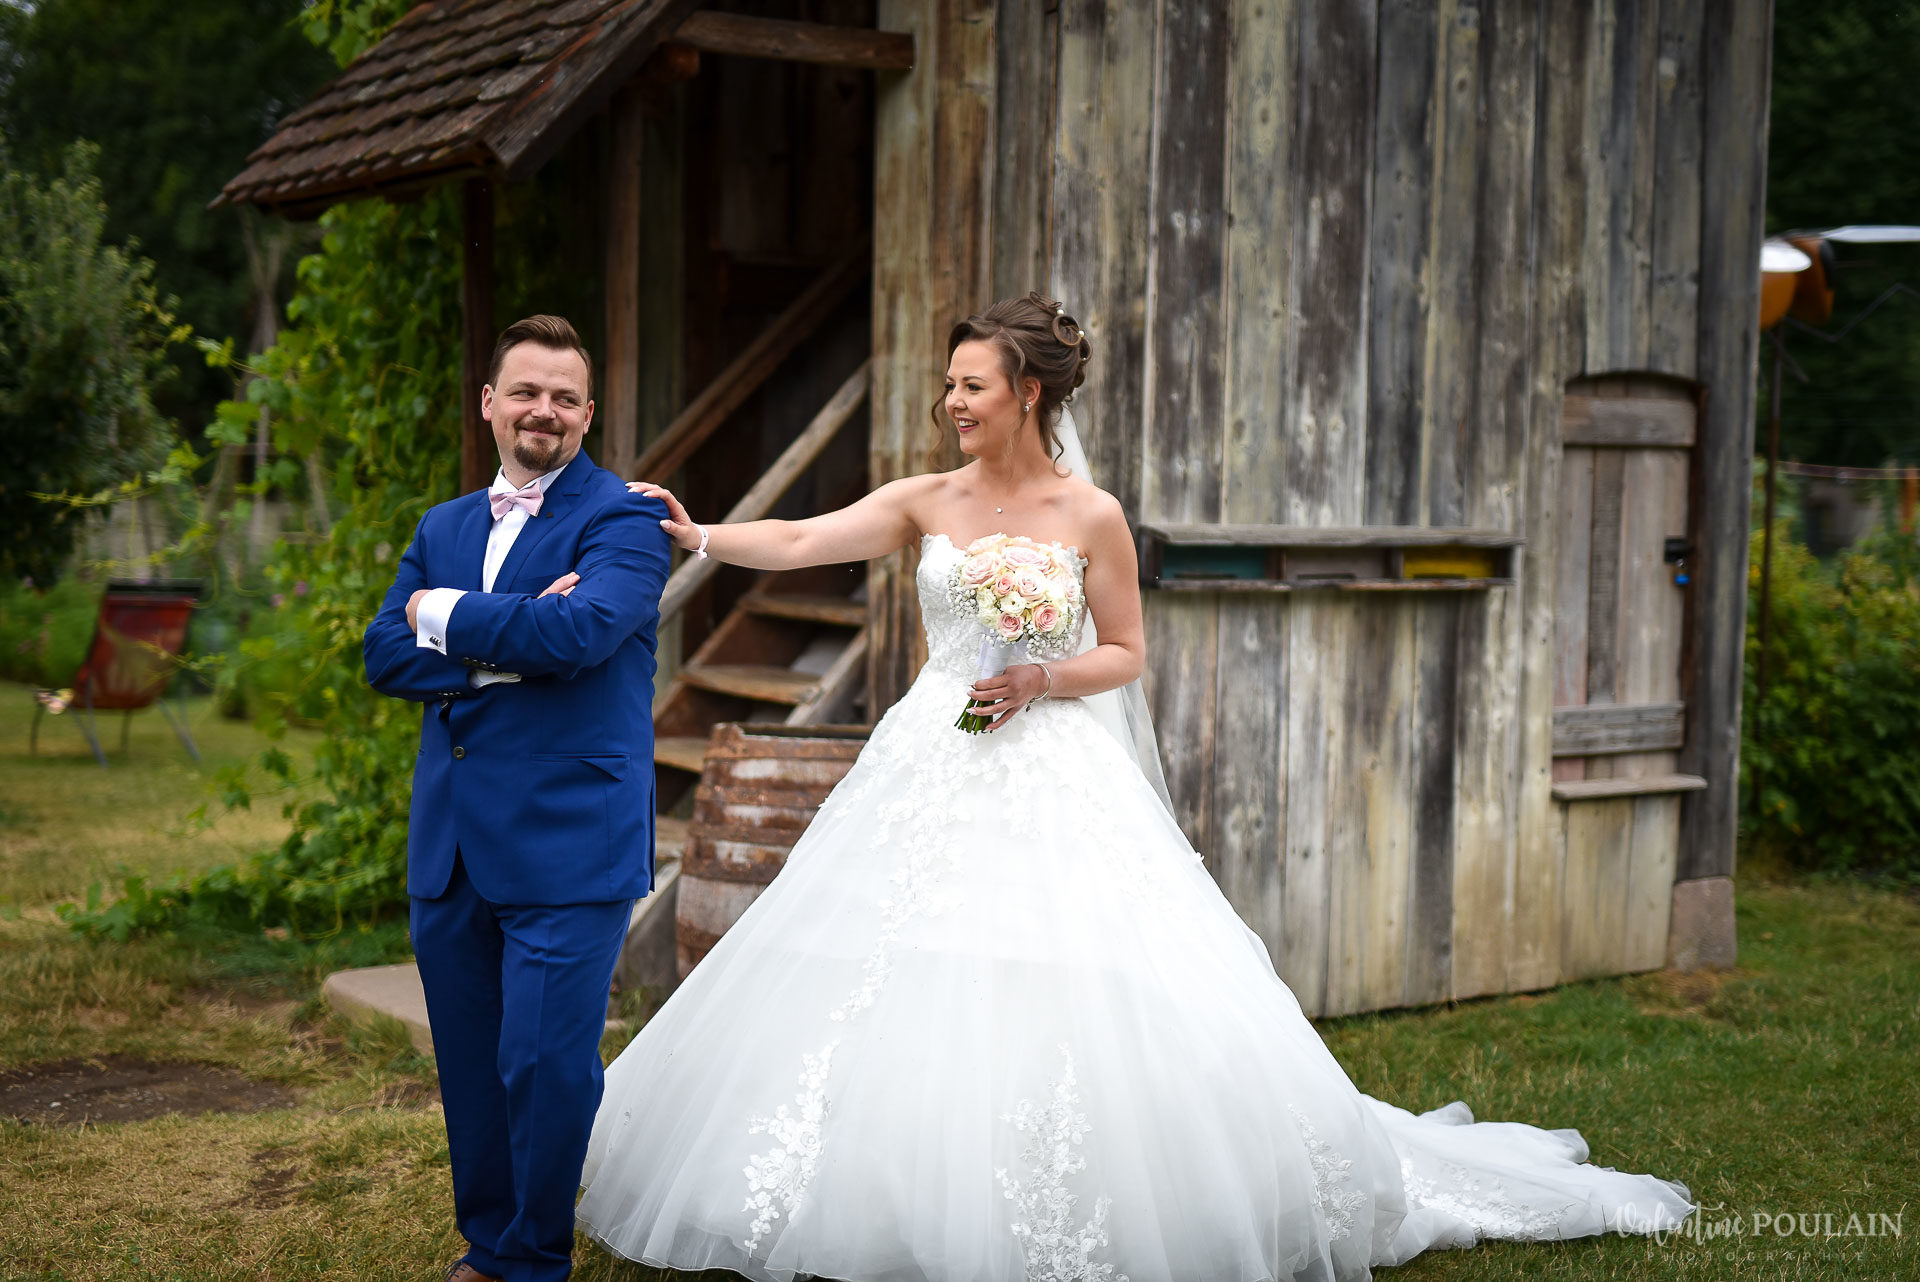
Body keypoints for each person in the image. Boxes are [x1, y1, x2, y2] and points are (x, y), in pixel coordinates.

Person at [572, 292, 1696, 1281]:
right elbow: (809, 533)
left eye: (969, 383)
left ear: (1025, 392)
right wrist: (701, 531)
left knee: (1072, 974)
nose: (950, 401)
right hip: (931, 752)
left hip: (1051, 757)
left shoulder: (1089, 515)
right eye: (949, 383)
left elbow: (1125, 653)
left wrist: (1040, 675)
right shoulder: (928, 498)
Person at [362, 315, 672, 1282]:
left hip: (571, 838)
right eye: (526, 392)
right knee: (470, 1062)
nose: (546, 410)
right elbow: (381, 655)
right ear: (490, 403)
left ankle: (532, 1260)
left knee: (543, 1065)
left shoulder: (626, 517)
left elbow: (579, 636)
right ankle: (486, 1244)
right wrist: (510, 646)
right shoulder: (444, 525)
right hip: (451, 842)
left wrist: (442, 619)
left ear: (588, 414)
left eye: (566, 397)